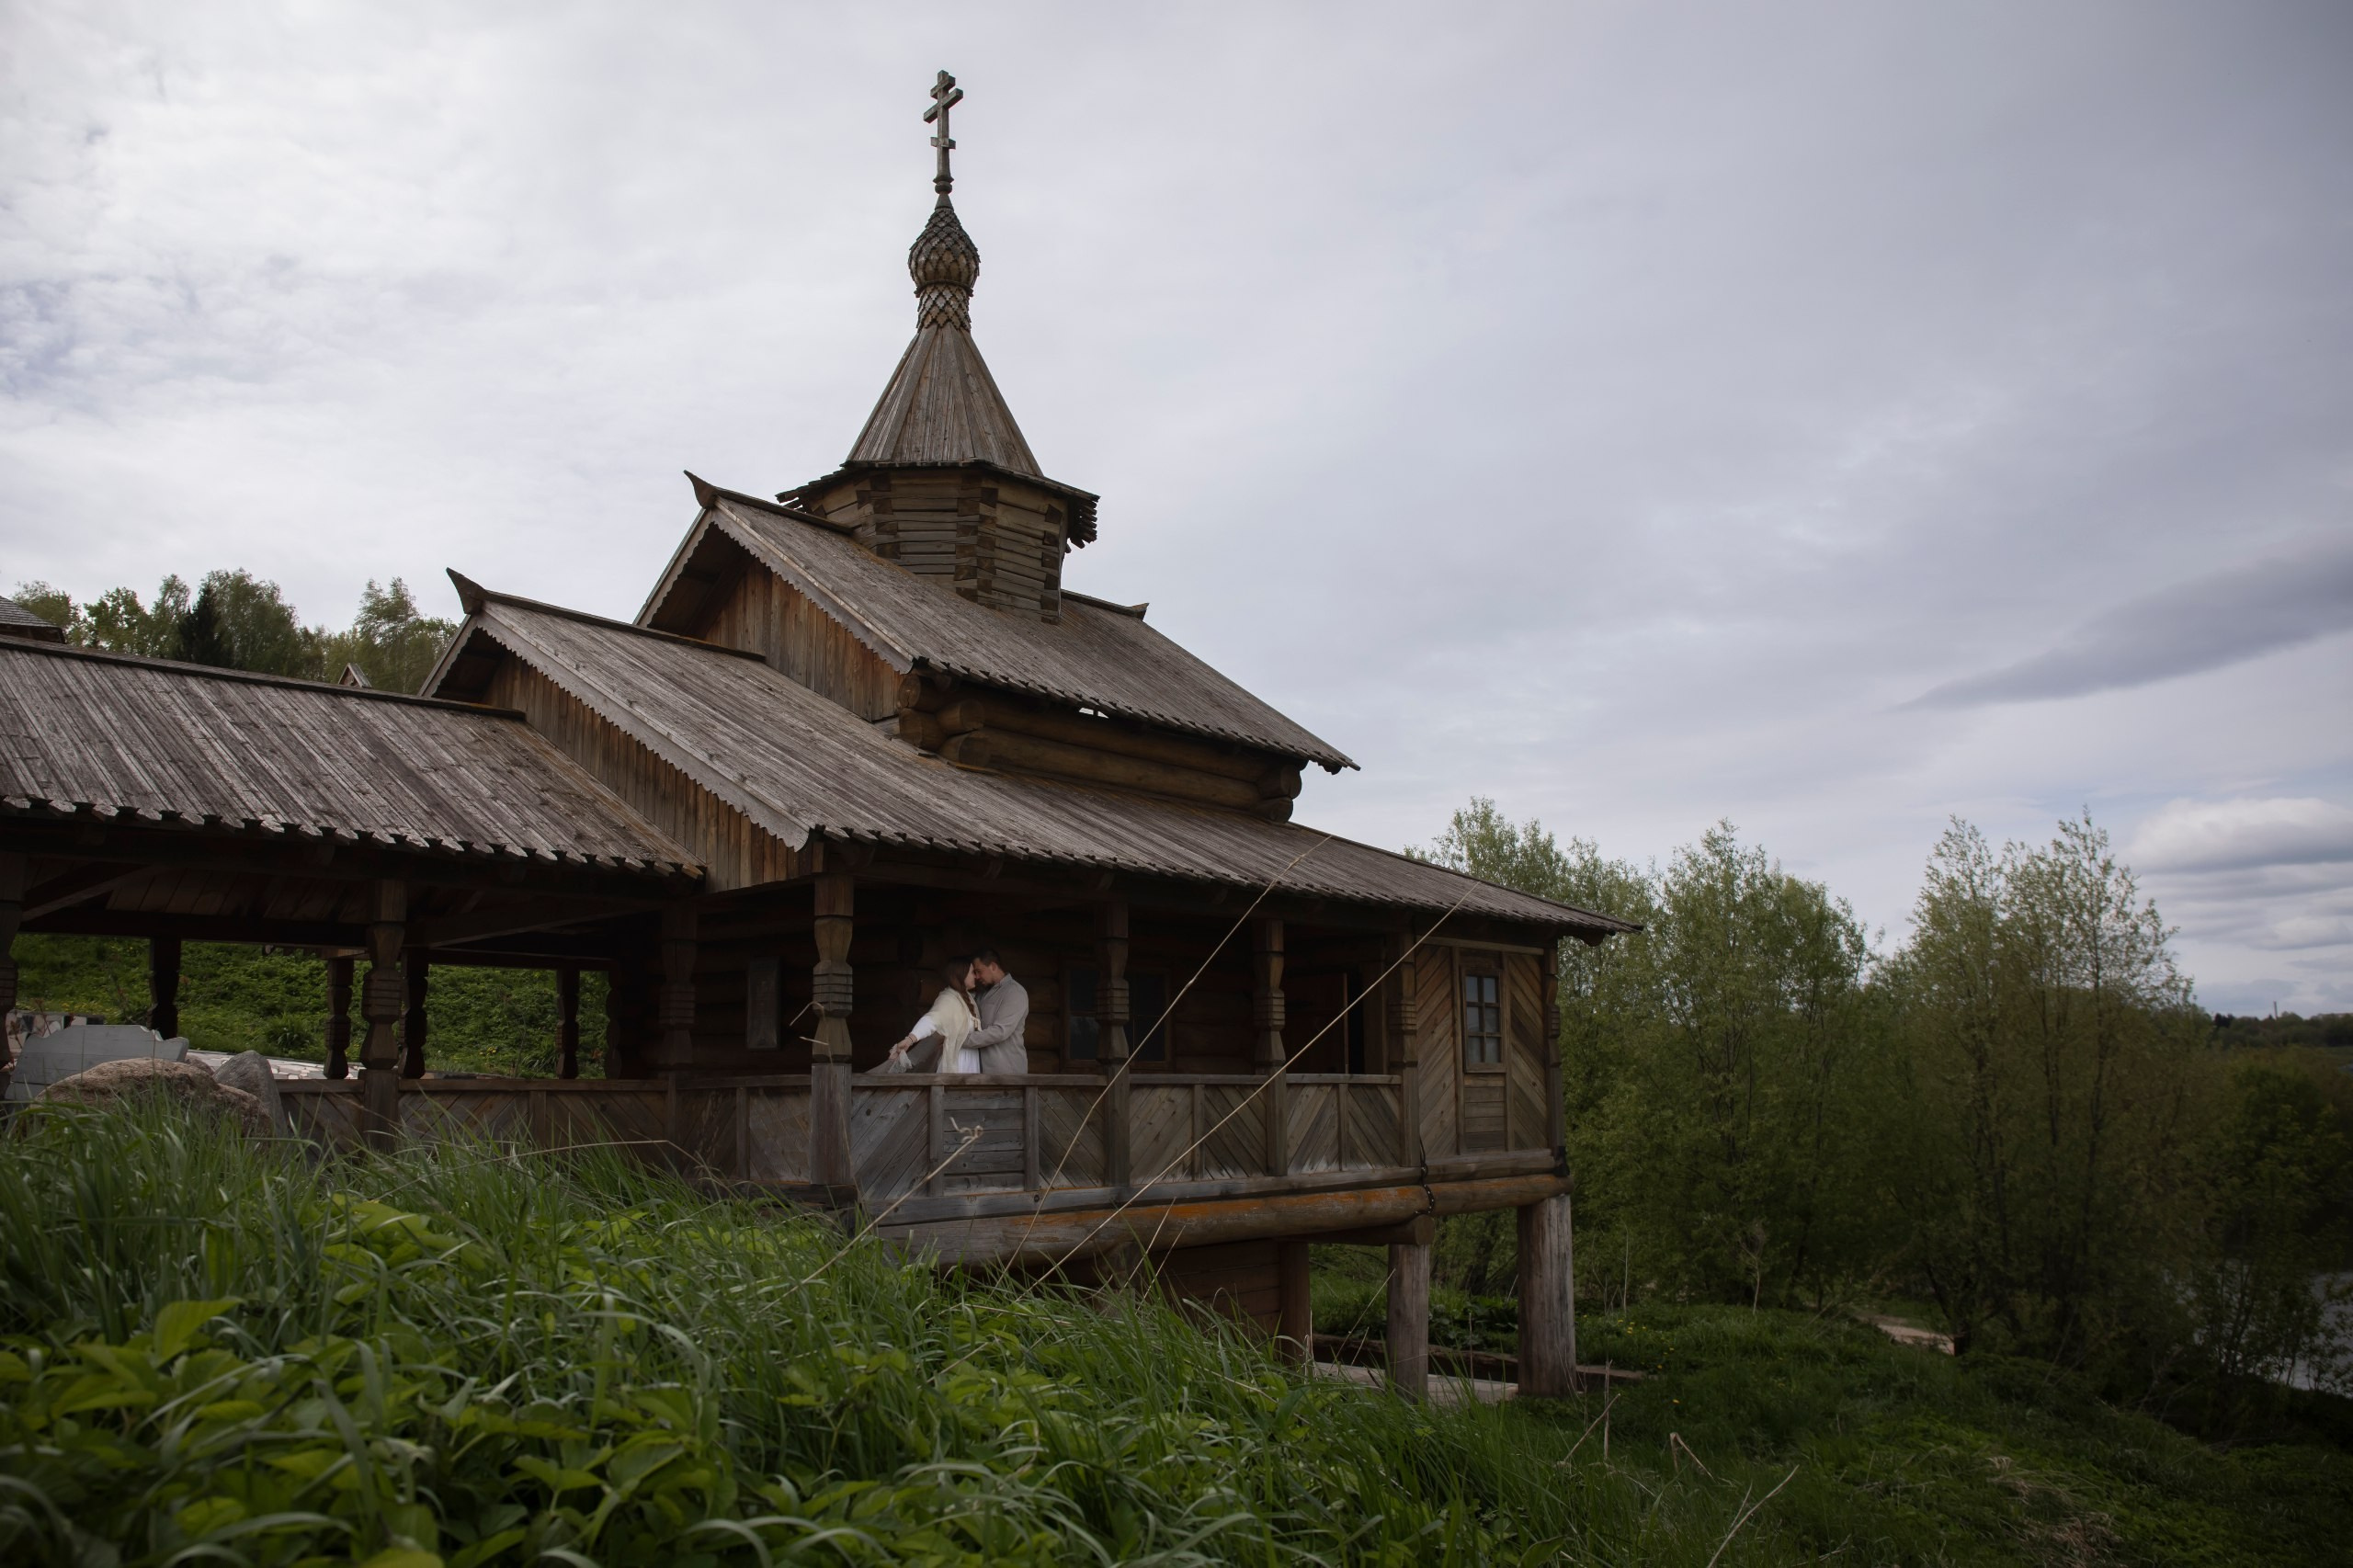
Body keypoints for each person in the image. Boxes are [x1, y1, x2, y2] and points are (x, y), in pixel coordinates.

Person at [879, 958, 980, 1074]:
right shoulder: (948, 999)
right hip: (959, 1063)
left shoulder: (968, 998)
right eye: (973, 972)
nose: (976, 977)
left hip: (973, 1062)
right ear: (961, 973)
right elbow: (932, 1020)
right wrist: (910, 1039)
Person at [963, 948, 1029, 1074]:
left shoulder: (1015, 992)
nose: (976, 977)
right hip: (983, 1072)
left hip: (1008, 1073)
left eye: (978, 971)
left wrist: (960, 1040)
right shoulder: (982, 993)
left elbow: (1000, 1031)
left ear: (993, 966)